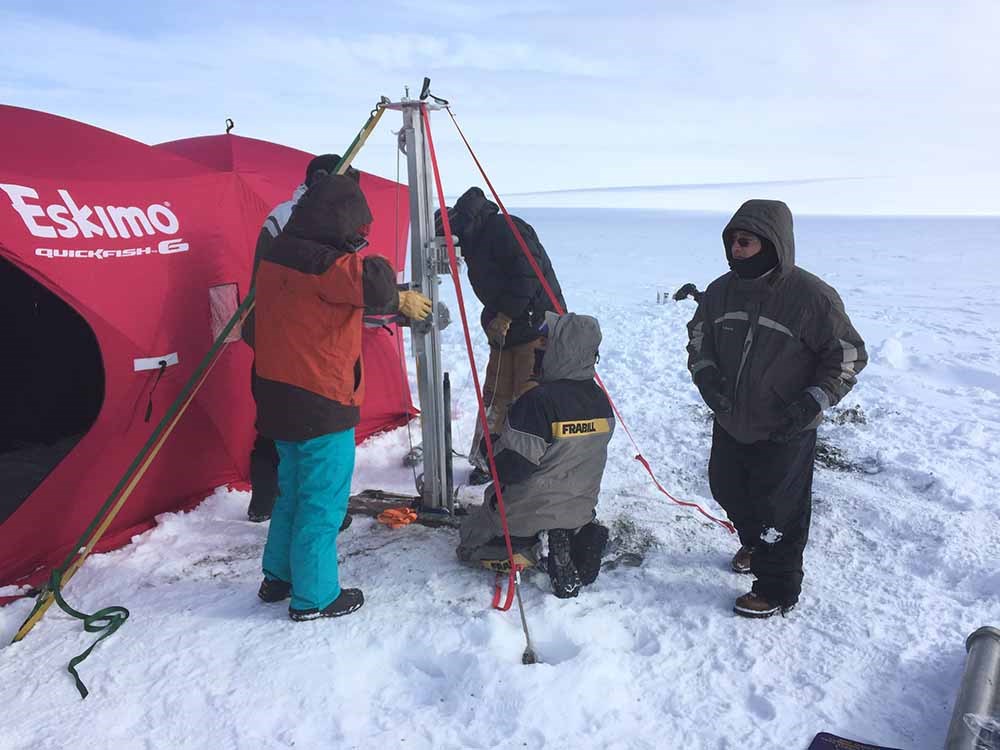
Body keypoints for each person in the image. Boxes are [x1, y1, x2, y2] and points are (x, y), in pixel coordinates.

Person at [252, 172, 430, 620]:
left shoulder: (279, 255)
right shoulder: (328, 265)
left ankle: (278, 577)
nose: (358, 239)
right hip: (320, 399)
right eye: (356, 230)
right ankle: (315, 597)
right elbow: (375, 280)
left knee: (291, 491)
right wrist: (385, 277)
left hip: (278, 396)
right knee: (322, 500)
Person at [686, 199, 867, 619]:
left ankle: (777, 588)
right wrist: (707, 376)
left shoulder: (811, 297)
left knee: (779, 511)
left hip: (786, 426)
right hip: (731, 418)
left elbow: (848, 354)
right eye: (732, 241)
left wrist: (811, 402)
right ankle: (752, 543)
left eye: (744, 242)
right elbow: (698, 339)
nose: (735, 250)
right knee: (726, 487)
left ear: (771, 244)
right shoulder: (720, 292)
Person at [457, 312, 614, 599]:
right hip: (579, 509)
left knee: (468, 543)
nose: (538, 348)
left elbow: (512, 468)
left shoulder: (538, 402)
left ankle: (530, 548)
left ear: (561, 350)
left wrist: (488, 446)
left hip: (526, 512)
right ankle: (571, 535)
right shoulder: (601, 399)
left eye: (546, 341)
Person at [436, 187, 566, 485]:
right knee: (495, 394)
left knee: (527, 397)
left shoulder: (504, 228)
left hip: (536, 328)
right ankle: (490, 460)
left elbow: (527, 276)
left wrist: (505, 315)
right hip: (506, 330)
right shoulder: (476, 240)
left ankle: (528, 465)